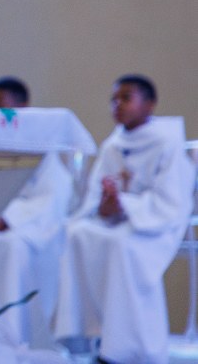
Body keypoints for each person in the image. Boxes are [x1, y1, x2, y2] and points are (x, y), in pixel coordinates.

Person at [53, 75, 194, 364]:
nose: (117, 105)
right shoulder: (113, 144)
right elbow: (95, 195)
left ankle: (131, 350)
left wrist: (124, 205)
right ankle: (88, 336)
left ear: (149, 104)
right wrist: (103, 207)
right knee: (76, 233)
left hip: (155, 227)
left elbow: (171, 201)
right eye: (113, 99)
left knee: (121, 246)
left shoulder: (168, 143)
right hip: (120, 221)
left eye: (126, 98)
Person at [0, 76, 74, 349]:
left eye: (1, 108)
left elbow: (52, 195)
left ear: (23, 108)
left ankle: (12, 338)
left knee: (13, 248)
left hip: (27, 227)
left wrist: (8, 218)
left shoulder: (39, 145)